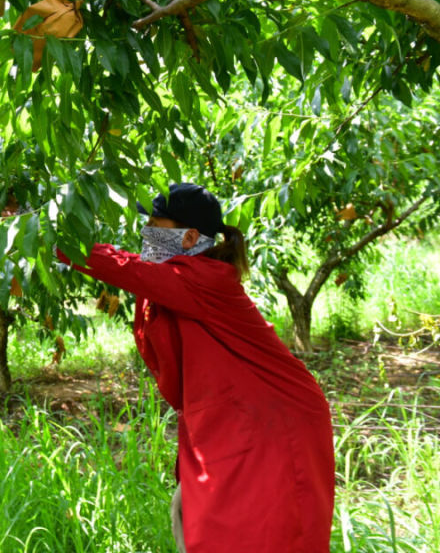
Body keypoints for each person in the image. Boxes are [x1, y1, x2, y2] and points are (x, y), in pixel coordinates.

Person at [58, 183, 335, 552]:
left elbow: (125, 269)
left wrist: (47, 240)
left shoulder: (201, 280)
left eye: (156, 223)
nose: (146, 231)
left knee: (252, 532)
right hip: (246, 418)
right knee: (207, 520)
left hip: (277, 423)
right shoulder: (184, 276)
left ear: (189, 237)